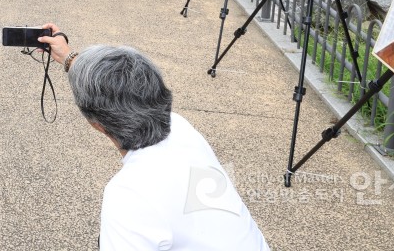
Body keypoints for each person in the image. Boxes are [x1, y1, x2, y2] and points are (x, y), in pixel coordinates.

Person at [37, 26, 270, 251]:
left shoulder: (129, 195)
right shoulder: (181, 128)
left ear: (96, 124)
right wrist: (68, 57)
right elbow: (120, 86)